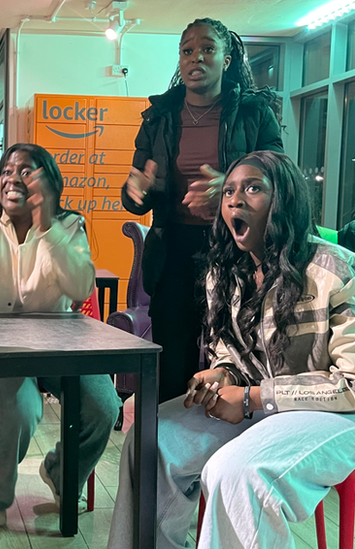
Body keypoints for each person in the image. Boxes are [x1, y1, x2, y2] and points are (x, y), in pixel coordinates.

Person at [107, 151, 355, 548]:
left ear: (285, 199)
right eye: (228, 191)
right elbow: (231, 350)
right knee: (151, 439)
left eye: (253, 188)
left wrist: (251, 398)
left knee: (236, 472)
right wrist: (222, 374)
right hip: (263, 404)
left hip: (350, 414)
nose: (235, 200)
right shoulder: (227, 272)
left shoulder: (344, 272)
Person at [0, 143, 120, 527]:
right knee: (21, 411)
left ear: (48, 179)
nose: (13, 179)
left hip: (60, 346)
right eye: (7, 171)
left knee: (103, 407)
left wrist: (47, 227)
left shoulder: (69, 225)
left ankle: (62, 474)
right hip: (2, 348)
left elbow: (79, 288)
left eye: (26, 171)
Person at [122, 18, 284, 402]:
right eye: (187, 50)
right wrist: (137, 191)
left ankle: (235, 443)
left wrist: (230, 189)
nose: (197, 57)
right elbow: (133, 196)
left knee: (239, 353)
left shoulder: (253, 113)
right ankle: (170, 447)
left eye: (208, 48)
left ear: (226, 59)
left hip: (238, 249)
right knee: (172, 359)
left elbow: (279, 174)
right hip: (174, 249)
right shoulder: (158, 117)